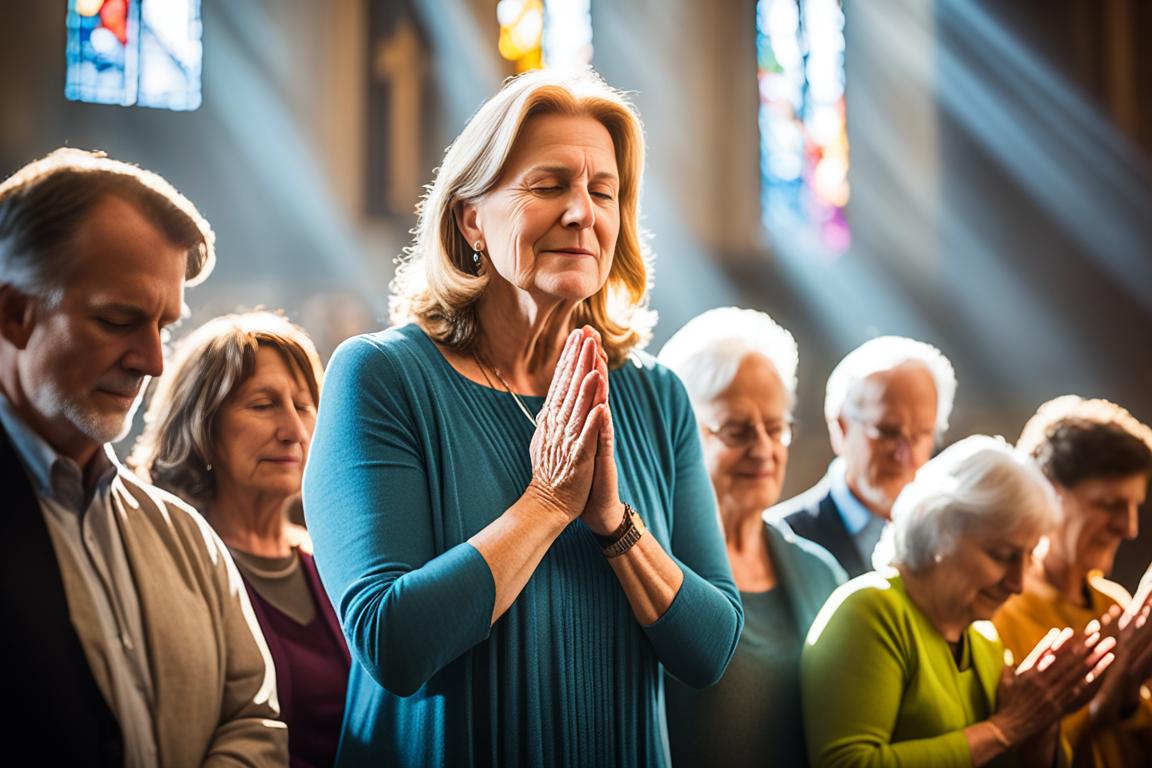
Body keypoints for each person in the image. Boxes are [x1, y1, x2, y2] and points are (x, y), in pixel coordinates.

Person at [302, 68, 743, 766]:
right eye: (548, 186)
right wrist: (546, 502)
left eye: (603, 192)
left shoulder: (657, 396)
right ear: (470, 216)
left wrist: (614, 525)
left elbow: (712, 647)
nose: (581, 213)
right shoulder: (381, 378)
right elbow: (394, 643)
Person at [0, 149, 286, 765]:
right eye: (119, 320)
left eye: (164, 327)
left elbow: (254, 719)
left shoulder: (184, 535)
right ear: (15, 314)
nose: (153, 362)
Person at [803, 435, 1116, 768]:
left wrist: (1042, 717)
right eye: (1002, 555)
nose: (1018, 583)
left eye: (1028, 557)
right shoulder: (869, 611)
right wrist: (1005, 727)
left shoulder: (984, 639)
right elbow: (847, 764)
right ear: (939, 528)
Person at [132, 311, 350, 768]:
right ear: (201, 425)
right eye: (263, 404)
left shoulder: (334, 561)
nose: (293, 431)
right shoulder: (171, 566)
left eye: (304, 405)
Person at [657, 307, 846, 767]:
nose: (763, 449)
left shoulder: (819, 572)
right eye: (738, 430)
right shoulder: (652, 567)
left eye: (776, 427)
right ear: (680, 435)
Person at [993, 395, 1152, 766]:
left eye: (1135, 507)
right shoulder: (997, 614)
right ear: (1047, 490)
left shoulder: (1116, 603)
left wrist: (1129, 696)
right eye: (1109, 504)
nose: (1129, 528)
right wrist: (1102, 707)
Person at [770, 335, 956, 577]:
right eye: (888, 432)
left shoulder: (950, 539)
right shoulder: (781, 540)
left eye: (921, 434)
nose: (904, 454)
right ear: (841, 428)